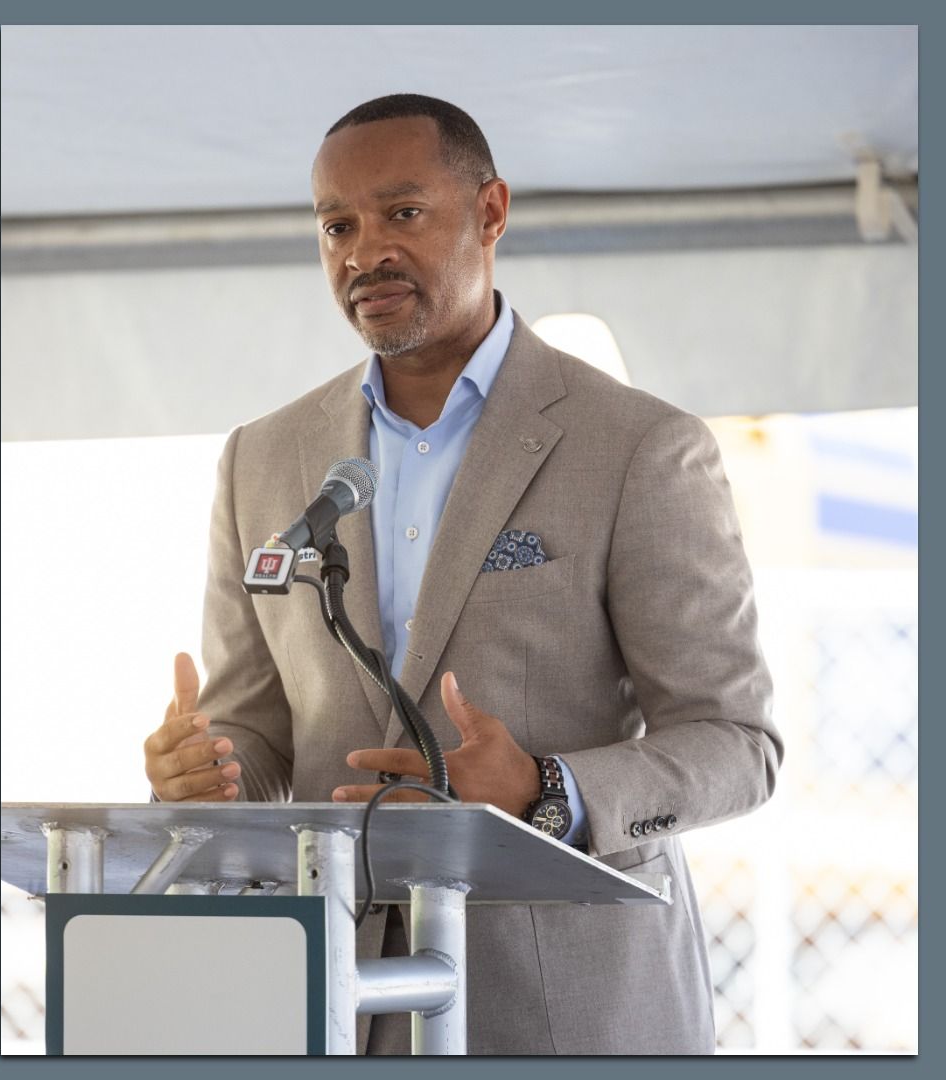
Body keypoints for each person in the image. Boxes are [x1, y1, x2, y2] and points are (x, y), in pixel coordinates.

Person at [141, 94, 781, 1054]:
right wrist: (205, 773)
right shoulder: (262, 459)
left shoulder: (639, 447)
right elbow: (257, 735)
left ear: (490, 213)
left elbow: (737, 742)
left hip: (567, 1004)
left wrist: (547, 788)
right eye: (336, 225)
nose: (363, 254)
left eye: (402, 213)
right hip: (324, 999)